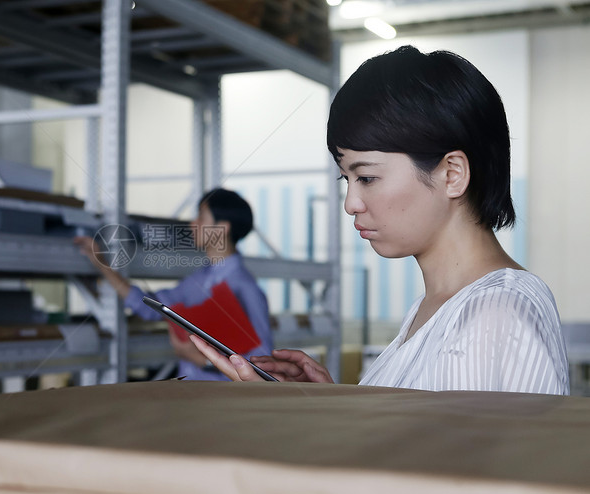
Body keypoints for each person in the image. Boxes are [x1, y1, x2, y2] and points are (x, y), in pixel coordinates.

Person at [191, 45, 570, 395]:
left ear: (452, 174)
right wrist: (331, 406)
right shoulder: (438, 306)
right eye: (347, 180)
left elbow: (443, 469)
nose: (351, 203)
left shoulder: (495, 315)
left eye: (367, 178)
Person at [74, 188, 272, 381]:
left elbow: (260, 365)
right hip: (190, 394)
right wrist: (100, 264)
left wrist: (202, 360)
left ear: (223, 228)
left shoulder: (246, 288)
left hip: (221, 403)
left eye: (201, 218)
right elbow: (150, 307)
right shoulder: (199, 279)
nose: (193, 224)